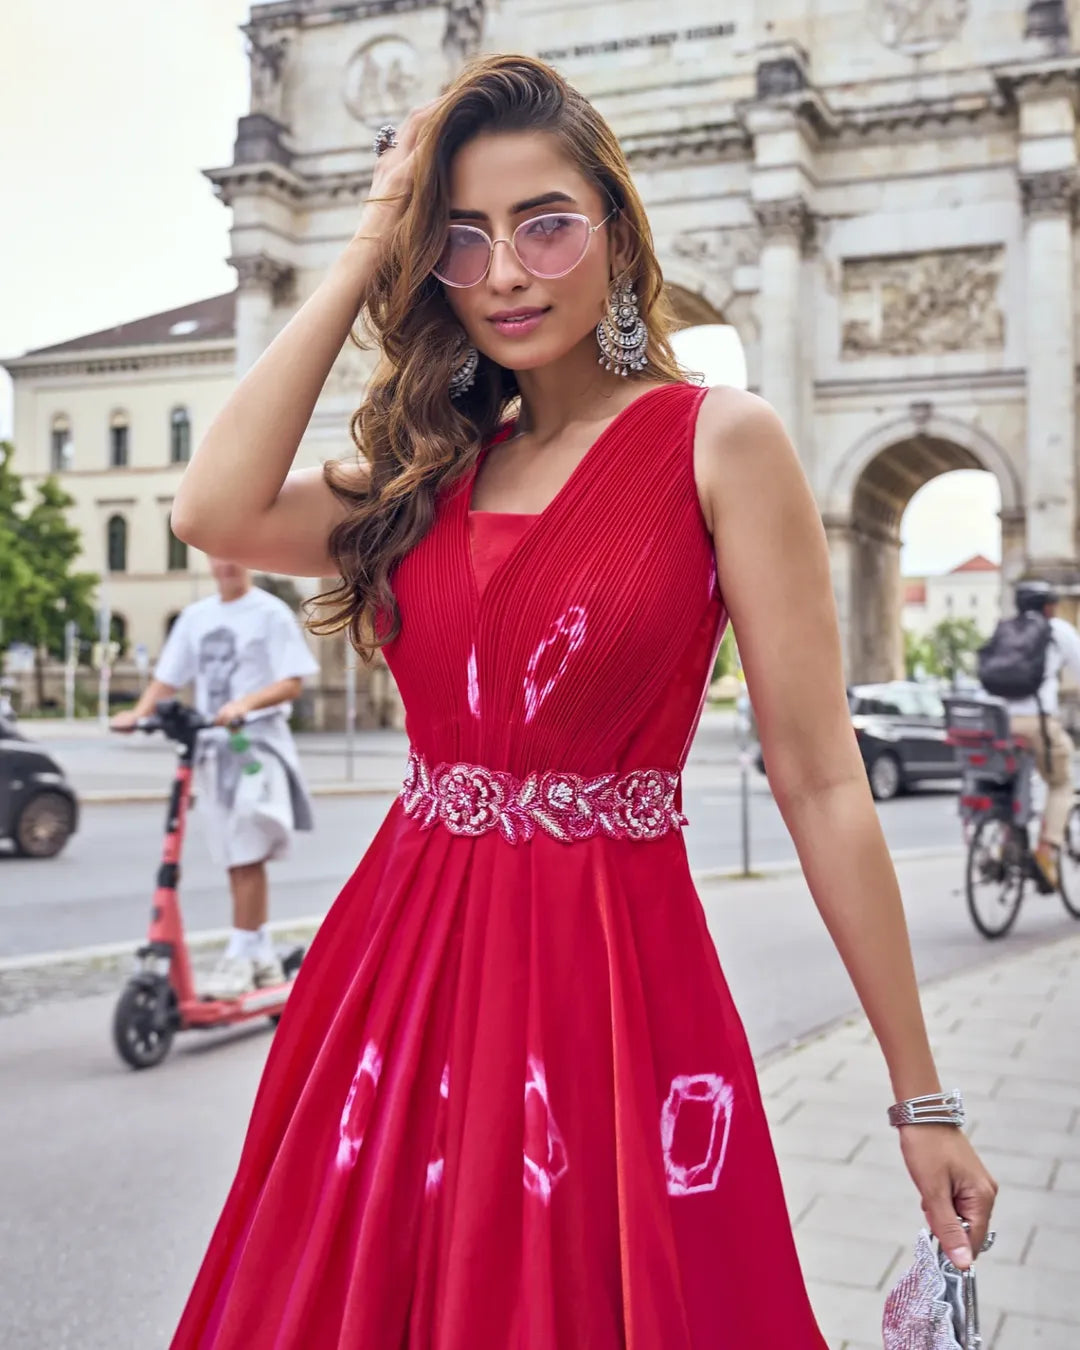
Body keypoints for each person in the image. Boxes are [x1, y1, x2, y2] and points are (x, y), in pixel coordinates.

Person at [165, 55, 996, 1349]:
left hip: (609, 981)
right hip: (401, 974)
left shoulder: (723, 442)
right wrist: (364, 247)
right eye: (462, 239)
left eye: (546, 224)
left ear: (615, 229)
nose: (505, 271)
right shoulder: (428, 471)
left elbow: (822, 777)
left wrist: (922, 1098)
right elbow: (210, 509)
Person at [111, 559, 318, 998]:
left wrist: (246, 703)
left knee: (247, 847)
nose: (225, 564)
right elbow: (167, 679)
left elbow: (292, 682)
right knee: (231, 851)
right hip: (210, 750)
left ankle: (243, 952)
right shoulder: (196, 617)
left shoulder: (269, 613)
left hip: (254, 746)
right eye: (217, 555)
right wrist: (138, 714)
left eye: (234, 555)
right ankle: (258, 950)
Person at [1004, 580, 1080, 887]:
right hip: (1038, 722)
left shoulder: (1005, 629)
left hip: (1001, 724)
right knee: (1061, 782)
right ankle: (1047, 849)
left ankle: (1004, 841)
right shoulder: (1057, 630)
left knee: (1008, 784)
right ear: (1048, 606)